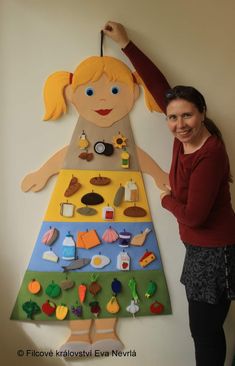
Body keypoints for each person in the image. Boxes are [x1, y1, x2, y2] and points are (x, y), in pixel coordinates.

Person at [103, 21, 235, 366]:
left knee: (205, 334)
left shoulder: (210, 153)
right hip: (201, 249)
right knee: (205, 330)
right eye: (173, 117)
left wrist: (164, 196)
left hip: (215, 252)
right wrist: (126, 44)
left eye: (187, 115)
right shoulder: (183, 137)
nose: (179, 124)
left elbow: (194, 216)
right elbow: (159, 84)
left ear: (202, 114)